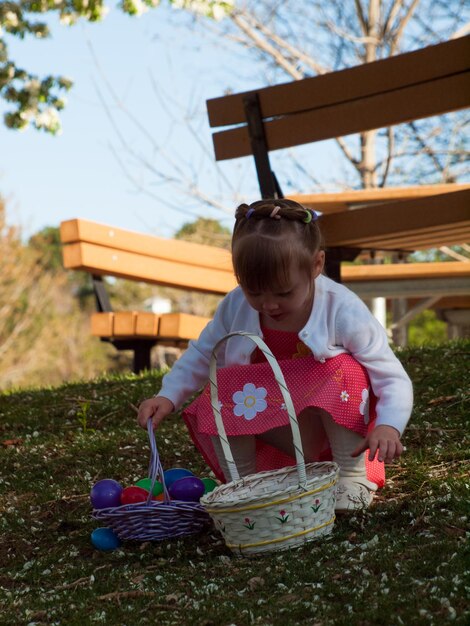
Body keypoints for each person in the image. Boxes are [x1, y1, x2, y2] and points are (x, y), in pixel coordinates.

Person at [138, 199, 413, 512]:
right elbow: (204, 352)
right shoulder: (235, 305)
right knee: (223, 385)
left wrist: (389, 425)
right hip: (272, 421)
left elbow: (389, 373)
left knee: (345, 369)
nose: (268, 305)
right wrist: (168, 395)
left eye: (283, 293)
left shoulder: (342, 309)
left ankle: (351, 479)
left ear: (316, 265)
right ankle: (244, 486)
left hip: (327, 427)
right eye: (254, 292)